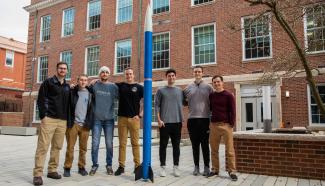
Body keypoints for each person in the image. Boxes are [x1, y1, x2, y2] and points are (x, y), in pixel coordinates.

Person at [33, 62, 70, 186]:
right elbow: (41, 100)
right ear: (57, 69)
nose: (62, 70)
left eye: (65, 69)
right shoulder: (48, 82)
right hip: (49, 119)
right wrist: (43, 116)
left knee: (57, 147)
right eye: (60, 68)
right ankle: (38, 174)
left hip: (62, 121)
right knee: (43, 146)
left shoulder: (67, 86)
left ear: (67, 71)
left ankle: (52, 170)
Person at [88, 66, 118, 176]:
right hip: (96, 119)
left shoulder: (113, 87)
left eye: (106, 72)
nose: (104, 73)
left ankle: (109, 165)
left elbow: (123, 98)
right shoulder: (94, 85)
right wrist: (91, 82)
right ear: (100, 74)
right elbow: (83, 88)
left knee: (109, 144)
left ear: (109, 74)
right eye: (102, 72)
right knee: (95, 143)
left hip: (109, 119)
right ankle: (94, 165)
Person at [207, 75, 237, 181]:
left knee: (229, 150)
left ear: (222, 82)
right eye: (214, 82)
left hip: (226, 125)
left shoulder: (229, 95)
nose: (216, 84)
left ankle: (232, 171)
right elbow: (211, 109)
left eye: (218, 82)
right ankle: (215, 170)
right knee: (214, 150)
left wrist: (231, 124)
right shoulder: (211, 96)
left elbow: (233, 111)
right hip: (214, 126)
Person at [183, 66, 213, 176]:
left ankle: (206, 167)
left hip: (205, 120)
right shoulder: (187, 88)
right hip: (192, 120)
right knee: (195, 145)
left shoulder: (209, 88)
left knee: (205, 145)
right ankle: (196, 167)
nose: (197, 73)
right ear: (193, 73)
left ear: (202, 73)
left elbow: (213, 103)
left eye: (199, 71)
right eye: (195, 71)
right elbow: (184, 102)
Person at [155, 69, 184, 177]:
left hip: (177, 122)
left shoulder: (180, 91)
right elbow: (157, 106)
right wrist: (159, 119)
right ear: (166, 77)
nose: (171, 77)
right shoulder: (160, 90)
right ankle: (163, 167)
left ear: (175, 77)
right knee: (163, 146)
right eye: (169, 76)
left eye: (173, 76)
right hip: (164, 123)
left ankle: (176, 167)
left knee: (176, 146)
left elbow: (185, 102)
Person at [114, 68, 143, 176]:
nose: (129, 75)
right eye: (127, 74)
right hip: (122, 119)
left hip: (134, 119)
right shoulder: (121, 86)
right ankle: (121, 166)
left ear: (133, 75)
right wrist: (95, 81)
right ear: (124, 75)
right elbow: (107, 84)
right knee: (122, 144)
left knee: (135, 143)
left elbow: (147, 100)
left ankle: (137, 166)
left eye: (130, 73)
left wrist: (140, 114)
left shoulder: (139, 87)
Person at [63, 74, 93, 177]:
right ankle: (67, 167)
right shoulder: (72, 92)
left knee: (83, 148)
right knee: (70, 147)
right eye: (81, 80)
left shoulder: (90, 94)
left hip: (85, 125)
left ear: (87, 82)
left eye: (85, 80)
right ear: (78, 81)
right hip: (73, 124)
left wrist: (89, 122)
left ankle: (81, 167)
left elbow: (91, 110)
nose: (83, 82)